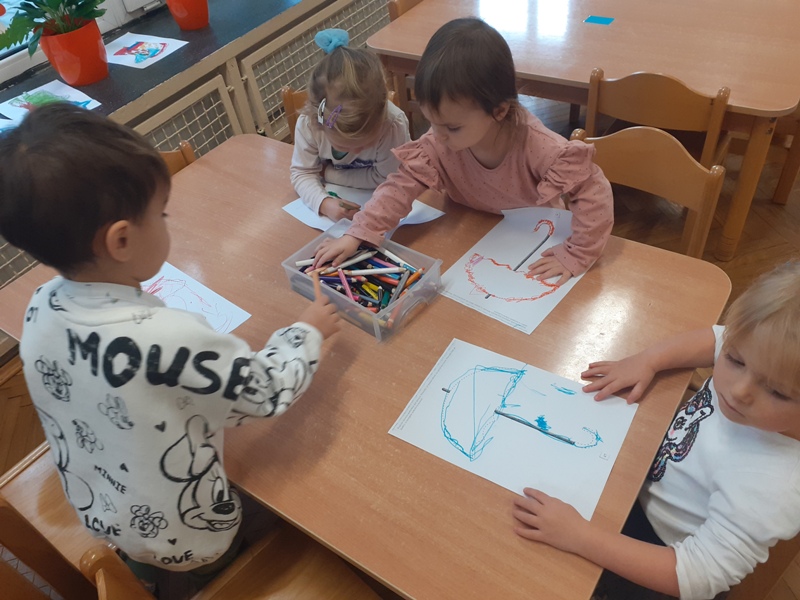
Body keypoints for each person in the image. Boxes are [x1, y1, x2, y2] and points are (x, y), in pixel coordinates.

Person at [0, 103, 340, 588]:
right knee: (298, 510)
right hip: (192, 535)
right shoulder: (169, 338)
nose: (167, 221)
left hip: (106, 509)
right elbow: (263, 393)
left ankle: (148, 570)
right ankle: (216, 572)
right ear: (120, 241)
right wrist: (308, 331)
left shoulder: (40, 304)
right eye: (160, 214)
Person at [513, 261, 800, 599]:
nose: (739, 391)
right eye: (735, 361)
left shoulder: (776, 485)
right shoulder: (763, 354)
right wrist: (650, 359)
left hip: (661, 554)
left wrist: (580, 537)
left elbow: (697, 575)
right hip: (641, 483)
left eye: (777, 392)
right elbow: (716, 339)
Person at [313, 18, 613, 285]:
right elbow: (398, 188)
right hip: (468, 229)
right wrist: (358, 232)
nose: (438, 136)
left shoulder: (538, 146)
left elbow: (593, 191)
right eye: (431, 122)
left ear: (499, 111)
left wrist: (577, 253)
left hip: (531, 236)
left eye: (452, 127)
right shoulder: (441, 139)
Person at [291, 28, 410, 222]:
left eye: (366, 143)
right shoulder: (311, 123)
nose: (356, 151)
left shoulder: (391, 125)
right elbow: (301, 173)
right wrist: (324, 203)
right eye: (343, 145)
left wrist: (327, 173)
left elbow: (387, 177)